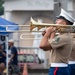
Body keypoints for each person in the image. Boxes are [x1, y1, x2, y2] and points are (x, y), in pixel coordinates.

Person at [39, 8, 75, 75]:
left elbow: (42, 46)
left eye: (58, 20)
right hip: (58, 68)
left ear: (64, 24)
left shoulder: (64, 37)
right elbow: (48, 48)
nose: (56, 21)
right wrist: (51, 33)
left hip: (58, 69)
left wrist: (47, 34)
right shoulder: (63, 36)